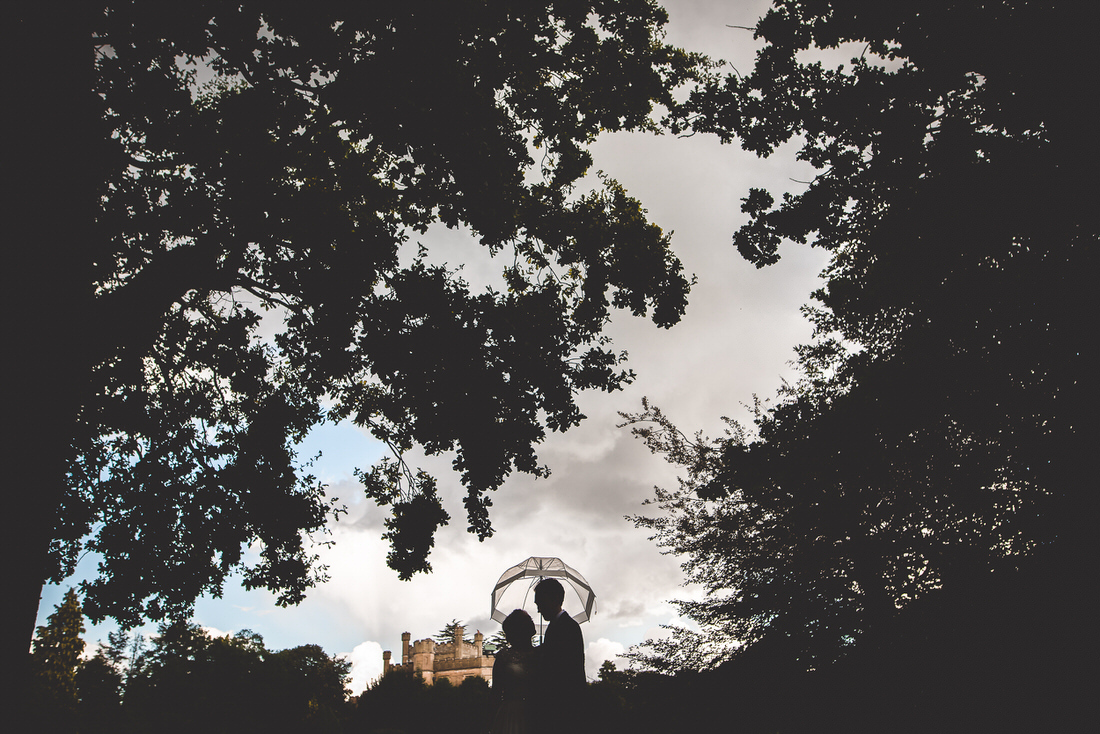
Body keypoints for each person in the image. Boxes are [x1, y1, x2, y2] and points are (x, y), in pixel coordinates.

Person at [533, 578, 586, 721]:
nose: (538, 609)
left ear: (554, 598)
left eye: (540, 603)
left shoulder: (568, 628)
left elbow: (564, 669)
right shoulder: (558, 626)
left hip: (564, 708)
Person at [490, 609, 538, 734]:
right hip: (512, 715)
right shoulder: (504, 657)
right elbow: (496, 692)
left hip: (535, 712)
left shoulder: (540, 655)